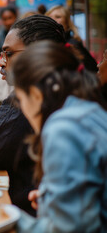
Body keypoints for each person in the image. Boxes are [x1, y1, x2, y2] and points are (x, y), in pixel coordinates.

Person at [0, 15, 67, 217]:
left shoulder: (29, 95)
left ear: (36, 54)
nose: (2, 62)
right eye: (2, 54)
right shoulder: (65, 88)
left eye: (8, 54)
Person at [13, 41, 107, 232]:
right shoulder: (92, 111)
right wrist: (51, 198)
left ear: (36, 95)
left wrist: (7, 217)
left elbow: (69, 228)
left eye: (20, 99)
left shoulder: (63, 128)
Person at [46, 5, 98, 73]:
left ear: (67, 22)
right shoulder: (47, 43)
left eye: (58, 17)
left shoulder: (72, 44)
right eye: (50, 17)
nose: (52, 19)